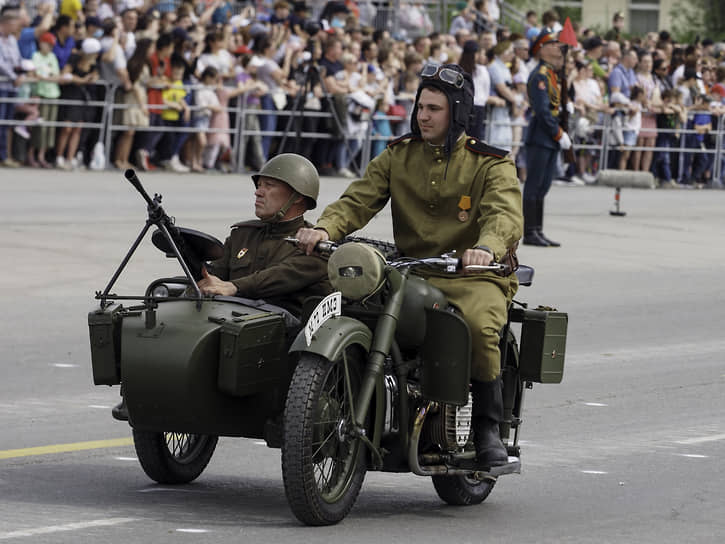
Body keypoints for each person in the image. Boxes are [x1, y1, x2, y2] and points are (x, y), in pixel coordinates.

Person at [295, 63, 523, 469]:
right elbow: (358, 200)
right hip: (410, 271)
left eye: (434, 108)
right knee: (348, 303)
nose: (423, 116)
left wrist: (486, 248)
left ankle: (488, 429)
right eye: (420, 107)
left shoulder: (490, 163)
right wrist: (324, 228)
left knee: (477, 325)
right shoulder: (399, 155)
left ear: (457, 112)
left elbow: (504, 215)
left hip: (471, 275)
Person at [199, 153, 331, 317]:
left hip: (284, 334)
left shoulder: (316, 245)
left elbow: (282, 275)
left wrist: (234, 287)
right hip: (229, 320)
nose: (258, 192)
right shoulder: (242, 235)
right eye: (259, 185)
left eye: (269, 185)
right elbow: (214, 278)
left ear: (297, 197)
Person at [523, 29, 570, 247]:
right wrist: (558, 133)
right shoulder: (540, 75)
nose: (556, 46)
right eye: (552, 44)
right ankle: (530, 232)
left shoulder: (550, 73)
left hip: (548, 137)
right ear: (542, 49)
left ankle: (538, 230)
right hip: (541, 136)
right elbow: (542, 111)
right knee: (534, 186)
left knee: (543, 186)